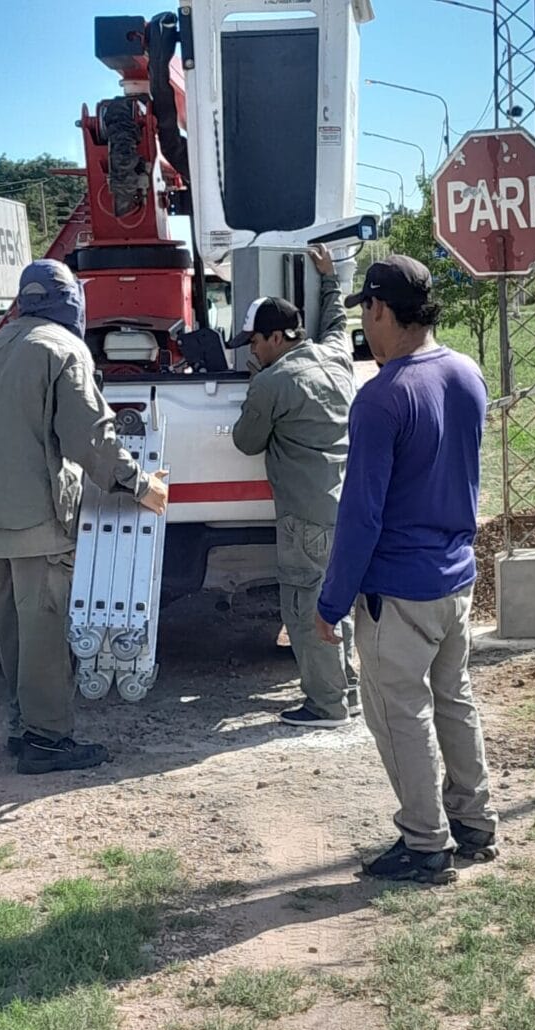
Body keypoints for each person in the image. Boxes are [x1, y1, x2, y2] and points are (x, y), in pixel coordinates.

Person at [316, 255, 498, 884]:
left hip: (399, 589)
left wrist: (330, 603)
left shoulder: (381, 397)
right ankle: (474, 821)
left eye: (365, 313)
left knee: (400, 711)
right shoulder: (467, 373)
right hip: (458, 577)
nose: (365, 328)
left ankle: (425, 844)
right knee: (454, 697)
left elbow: (360, 517)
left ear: (381, 310)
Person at [0, 259, 168, 774]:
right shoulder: (62, 349)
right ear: (71, 303)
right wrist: (140, 484)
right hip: (36, 518)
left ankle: (21, 725)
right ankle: (47, 739)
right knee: (44, 630)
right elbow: (91, 436)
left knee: (9, 630)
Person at [232, 244, 359, 728]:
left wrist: (255, 383)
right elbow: (337, 326)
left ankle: (326, 706)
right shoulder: (334, 359)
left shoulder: (273, 382)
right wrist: (330, 281)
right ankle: (346, 693)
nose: (252, 349)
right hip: (346, 507)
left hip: (305, 514)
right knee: (336, 603)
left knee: (307, 609)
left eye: (255, 342)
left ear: (274, 338)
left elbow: (247, 441)